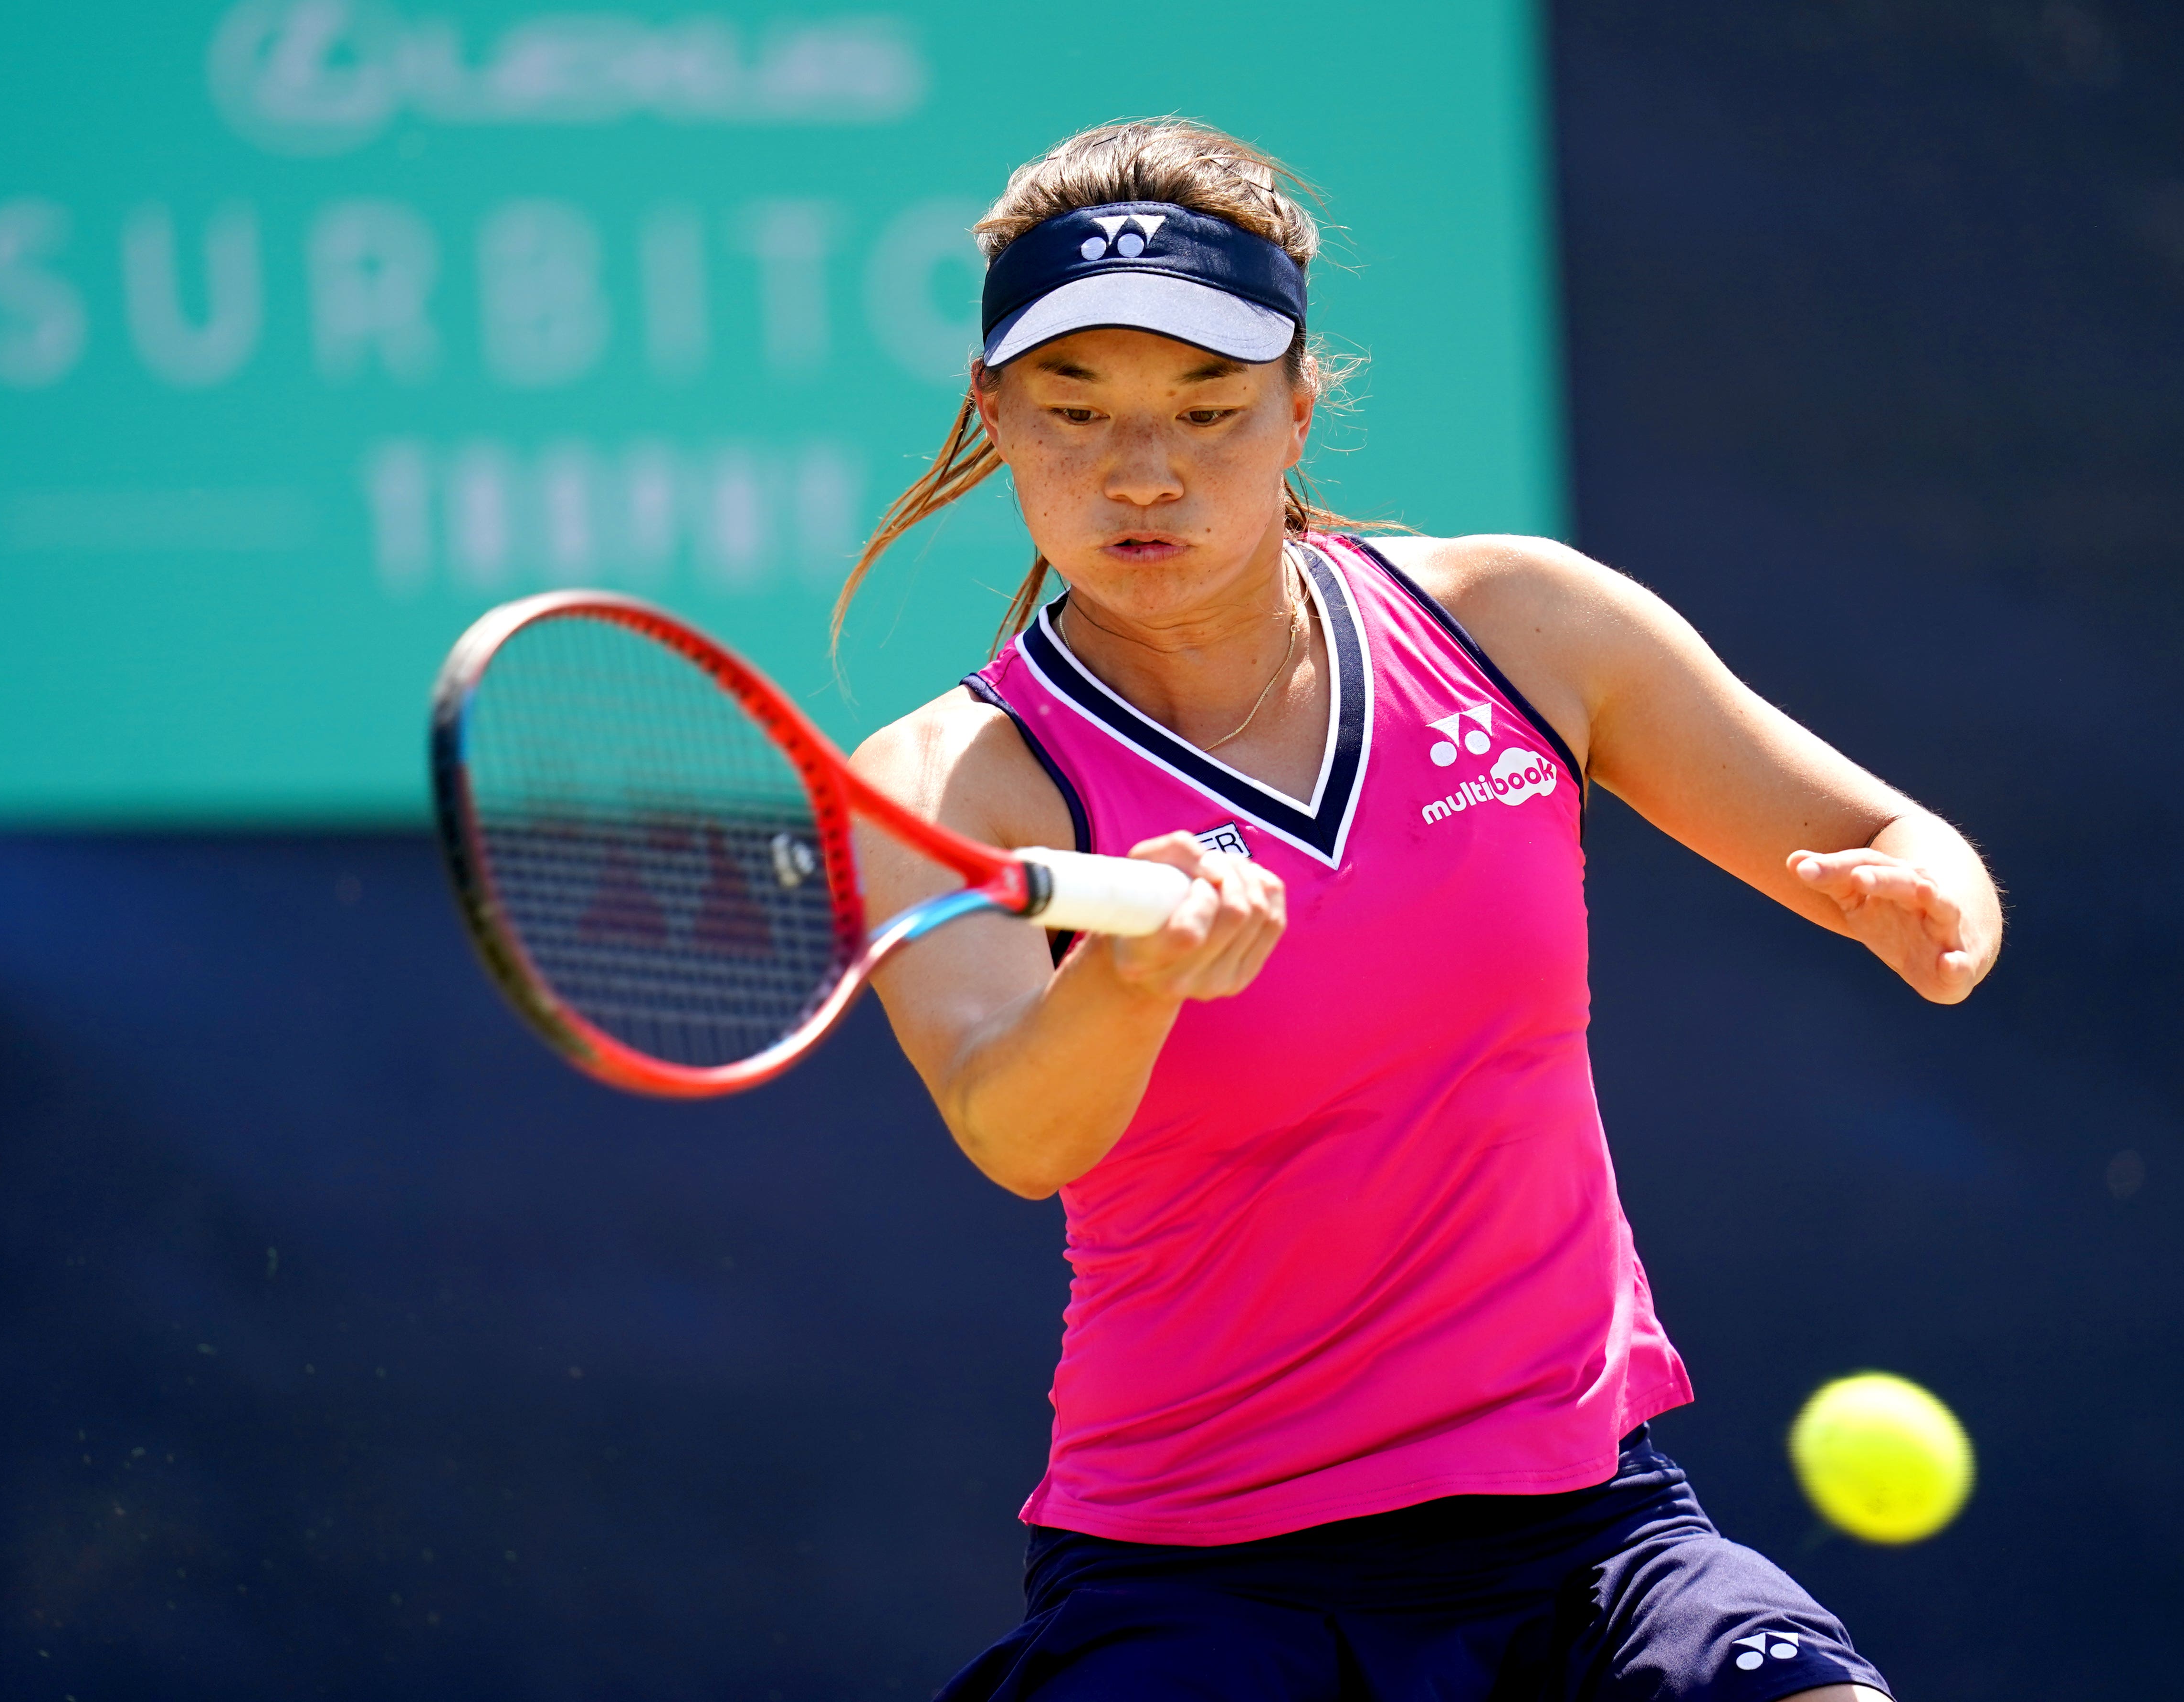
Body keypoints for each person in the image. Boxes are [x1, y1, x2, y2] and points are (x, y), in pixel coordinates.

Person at [841, 118, 2000, 1702]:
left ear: (1302, 403)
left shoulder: (1526, 626)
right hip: (1200, 1575)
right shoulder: (942, 781)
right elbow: (1012, 1126)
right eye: (1074, 412)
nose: (1145, 470)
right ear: (993, 416)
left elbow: (1882, 829)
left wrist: (1929, 895)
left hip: (1587, 1530)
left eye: (1208, 407)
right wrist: (1130, 988)